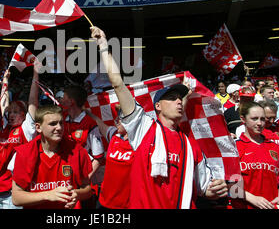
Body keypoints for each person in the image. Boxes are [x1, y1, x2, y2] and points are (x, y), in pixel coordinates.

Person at [90, 26, 227, 209]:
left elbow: (205, 189)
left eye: (180, 99)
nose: (178, 102)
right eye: (171, 99)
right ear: (157, 106)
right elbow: (118, 84)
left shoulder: (191, 146)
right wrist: (103, 45)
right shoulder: (144, 129)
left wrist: (216, 189)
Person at [9, 105, 93, 209]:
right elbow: (16, 198)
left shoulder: (77, 151)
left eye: (61, 123)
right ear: (38, 127)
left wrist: (77, 194)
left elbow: (88, 189)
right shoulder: (24, 153)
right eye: (53, 124)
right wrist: (47, 195)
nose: (59, 128)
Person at [0, 62, 40, 209]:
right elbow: (4, 103)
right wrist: (5, 81)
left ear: (25, 115)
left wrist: (36, 73)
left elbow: (33, 102)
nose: (11, 115)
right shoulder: (4, 128)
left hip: (14, 190)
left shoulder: (27, 129)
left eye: (16, 112)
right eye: (10, 112)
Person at [231, 101, 279, 209]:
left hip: (272, 206)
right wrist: (252, 198)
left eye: (263, 119)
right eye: (254, 118)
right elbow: (229, 185)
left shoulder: (275, 147)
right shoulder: (233, 147)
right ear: (243, 119)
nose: (259, 123)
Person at [60, 84, 105, 206]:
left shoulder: (90, 124)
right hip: (63, 177)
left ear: (71, 102)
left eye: (63, 97)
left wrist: (84, 179)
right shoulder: (61, 120)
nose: (60, 100)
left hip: (81, 185)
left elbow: (99, 157)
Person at [85, 105, 134, 209]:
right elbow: (99, 123)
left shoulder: (140, 142)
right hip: (104, 201)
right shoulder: (114, 136)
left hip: (126, 205)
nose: (116, 121)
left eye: (120, 118)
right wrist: (86, 112)